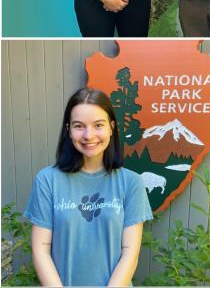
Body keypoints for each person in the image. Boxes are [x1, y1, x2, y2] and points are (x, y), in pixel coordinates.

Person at [24, 88, 152, 286]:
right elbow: (41, 249)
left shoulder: (131, 183)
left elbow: (130, 253)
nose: (88, 135)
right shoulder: (47, 181)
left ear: (111, 127)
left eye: (98, 125)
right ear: (68, 129)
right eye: (79, 126)